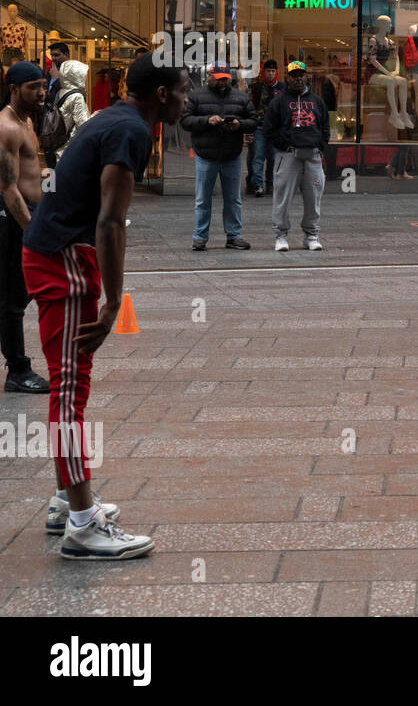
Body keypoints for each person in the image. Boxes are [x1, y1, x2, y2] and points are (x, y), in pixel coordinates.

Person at [23, 52, 186, 559]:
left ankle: (64, 501)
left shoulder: (116, 120)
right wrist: (114, 301)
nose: (188, 97)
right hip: (63, 257)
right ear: (161, 94)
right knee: (69, 391)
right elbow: (110, 222)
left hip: (56, 250)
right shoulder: (131, 132)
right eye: (182, 89)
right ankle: (81, 523)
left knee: (72, 384)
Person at [0, 63, 50, 394]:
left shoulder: (27, 120)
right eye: (34, 87)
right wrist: (31, 231)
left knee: (20, 293)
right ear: (14, 89)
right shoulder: (7, 127)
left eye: (44, 85)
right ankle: (18, 370)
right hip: (13, 217)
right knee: (14, 298)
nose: (42, 92)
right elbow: (8, 188)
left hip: (31, 211)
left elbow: (29, 170)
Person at [181, 66, 256, 251]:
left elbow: (254, 121)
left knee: (233, 198)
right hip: (206, 155)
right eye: (219, 78)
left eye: (225, 78)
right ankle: (199, 237)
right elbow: (185, 120)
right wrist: (207, 120)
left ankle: (234, 236)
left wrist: (239, 125)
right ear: (209, 76)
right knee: (203, 199)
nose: (223, 82)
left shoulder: (241, 97)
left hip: (231, 154)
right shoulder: (196, 96)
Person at [264, 61, 329, 251]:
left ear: (306, 76)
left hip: (313, 156)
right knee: (282, 198)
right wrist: (284, 145)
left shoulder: (317, 101)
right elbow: (269, 128)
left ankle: (311, 235)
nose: (298, 79)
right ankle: (281, 236)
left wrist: (321, 146)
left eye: (301, 75)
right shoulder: (279, 102)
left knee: (313, 198)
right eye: (294, 75)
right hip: (288, 156)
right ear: (288, 78)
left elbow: (325, 126)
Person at [246, 60, 284, 197]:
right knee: (258, 156)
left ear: (276, 72)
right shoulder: (256, 87)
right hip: (259, 127)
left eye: (273, 71)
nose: (270, 73)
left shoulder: (282, 88)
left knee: (273, 158)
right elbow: (249, 107)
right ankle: (258, 185)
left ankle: (270, 184)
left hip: (275, 128)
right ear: (264, 72)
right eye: (268, 71)